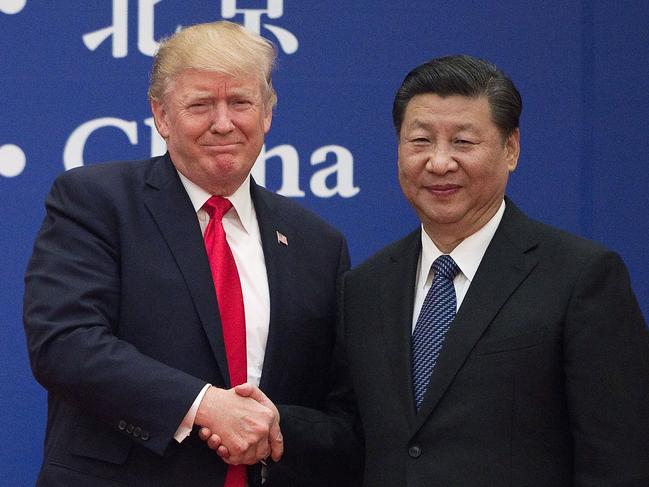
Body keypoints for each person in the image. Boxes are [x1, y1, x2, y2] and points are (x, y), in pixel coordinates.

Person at [23, 21, 360, 487]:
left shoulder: (318, 244)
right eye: (200, 104)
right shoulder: (96, 201)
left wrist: (278, 427)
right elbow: (65, 343)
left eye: (240, 102)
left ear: (267, 113)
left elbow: (343, 414)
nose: (223, 123)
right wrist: (204, 405)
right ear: (161, 115)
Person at [339, 55, 649, 485]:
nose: (440, 162)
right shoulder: (365, 286)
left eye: (463, 142)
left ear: (511, 149)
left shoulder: (582, 278)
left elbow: (619, 460)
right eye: (421, 141)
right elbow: (354, 439)